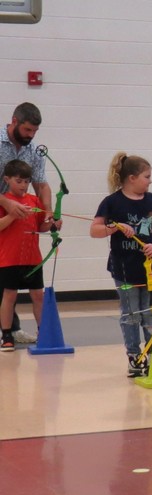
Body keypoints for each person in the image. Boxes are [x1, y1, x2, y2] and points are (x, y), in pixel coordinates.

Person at [90, 153, 152, 377]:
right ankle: (135, 357)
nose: (150, 181)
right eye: (147, 176)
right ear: (132, 178)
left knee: (151, 313)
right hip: (125, 270)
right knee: (131, 313)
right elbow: (95, 230)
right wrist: (115, 227)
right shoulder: (112, 202)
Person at [0, 102, 53, 344]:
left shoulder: (33, 149)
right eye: (28, 130)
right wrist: (7, 204)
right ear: (14, 122)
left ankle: (12, 330)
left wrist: (49, 211)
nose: (31, 135)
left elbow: (41, 183)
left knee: (8, 286)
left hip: (14, 215)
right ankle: (8, 331)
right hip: (5, 211)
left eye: (35, 131)